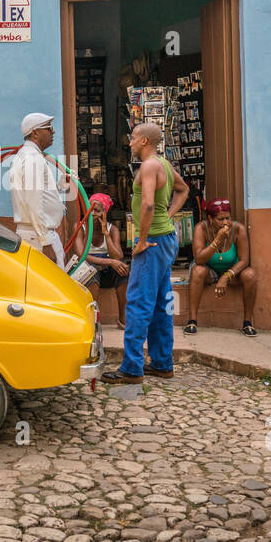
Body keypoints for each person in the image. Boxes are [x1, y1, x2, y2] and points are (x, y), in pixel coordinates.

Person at [103, 123, 189, 382]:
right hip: (165, 239)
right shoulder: (164, 164)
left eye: (133, 138)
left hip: (151, 242)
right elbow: (183, 189)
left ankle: (131, 368)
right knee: (161, 303)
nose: (129, 143)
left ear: (143, 141)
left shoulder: (149, 166)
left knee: (138, 303)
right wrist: (169, 216)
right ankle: (162, 363)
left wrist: (140, 241)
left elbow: (149, 204)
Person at [186, 198, 258, 336]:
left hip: (232, 271)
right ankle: (192, 321)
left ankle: (247, 323)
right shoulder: (201, 228)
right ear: (210, 219)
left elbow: (244, 260)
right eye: (220, 219)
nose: (225, 223)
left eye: (227, 218)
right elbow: (199, 259)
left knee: (250, 275)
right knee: (197, 271)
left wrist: (226, 276)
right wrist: (217, 240)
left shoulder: (238, 229)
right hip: (209, 270)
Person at [8, 112, 68, 266]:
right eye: (48, 128)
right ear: (35, 133)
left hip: (36, 234)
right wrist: (45, 242)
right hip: (38, 236)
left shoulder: (29, 156)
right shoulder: (32, 159)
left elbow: (37, 195)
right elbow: (33, 203)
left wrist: (60, 186)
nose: (52, 131)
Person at [85, 193, 129, 326]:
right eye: (90, 209)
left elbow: (118, 256)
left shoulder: (112, 229)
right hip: (90, 271)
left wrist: (106, 234)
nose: (92, 213)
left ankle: (123, 319)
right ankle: (91, 321)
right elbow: (82, 255)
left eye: (97, 211)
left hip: (107, 272)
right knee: (91, 272)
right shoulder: (81, 228)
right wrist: (110, 262)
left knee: (122, 270)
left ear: (105, 213)